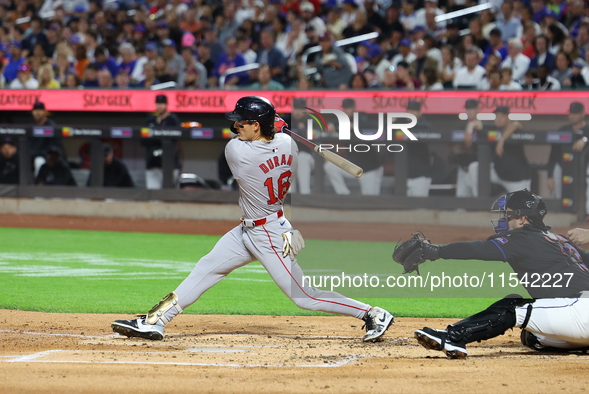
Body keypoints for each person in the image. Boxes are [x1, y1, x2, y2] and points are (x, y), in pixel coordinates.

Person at [111, 96, 393, 342]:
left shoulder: (238, 152)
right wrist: (277, 127)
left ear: (256, 126)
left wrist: (275, 124)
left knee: (303, 295)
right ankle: (155, 321)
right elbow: (277, 136)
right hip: (250, 229)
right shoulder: (288, 145)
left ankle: (373, 313)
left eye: (242, 123)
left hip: (268, 233)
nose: (236, 127)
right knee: (206, 268)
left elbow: (256, 137)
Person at [409, 189, 589, 358]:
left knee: (511, 306)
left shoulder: (523, 238)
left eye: (508, 215)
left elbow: (477, 249)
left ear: (522, 219)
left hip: (579, 313)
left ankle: (452, 337)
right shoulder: (560, 240)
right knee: (533, 336)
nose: (504, 220)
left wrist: (434, 251)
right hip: (581, 315)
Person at [323, 98, 385, 196]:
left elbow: (372, 126)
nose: (347, 110)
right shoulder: (342, 120)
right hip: (353, 165)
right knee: (330, 166)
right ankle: (344, 194)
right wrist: (330, 124)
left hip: (369, 168)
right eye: (345, 108)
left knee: (370, 200)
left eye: (349, 108)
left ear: (355, 108)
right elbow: (332, 124)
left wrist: (355, 126)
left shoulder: (362, 117)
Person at [143, 94, 182, 189]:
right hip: (152, 164)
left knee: (170, 195)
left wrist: (154, 137)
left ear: (167, 104)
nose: (159, 106)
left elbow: (176, 138)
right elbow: (143, 141)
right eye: (158, 103)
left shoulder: (173, 120)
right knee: (153, 196)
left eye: (162, 103)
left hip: (170, 164)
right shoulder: (150, 121)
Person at [453, 99, 481, 198]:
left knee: (478, 196)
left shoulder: (482, 125)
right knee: (461, 200)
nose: (469, 111)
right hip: (463, 167)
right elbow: (454, 146)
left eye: (472, 109)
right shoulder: (461, 127)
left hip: (477, 168)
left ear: (478, 109)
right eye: (467, 109)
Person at [30, 101, 65, 177]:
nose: (37, 112)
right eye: (35, 110)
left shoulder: (51, 126)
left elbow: (55, 146)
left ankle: (38, 186)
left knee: (39, 161)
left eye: (40, 110)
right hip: (34, 156)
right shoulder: (32, 127)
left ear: (45, 112)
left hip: (48, 156)